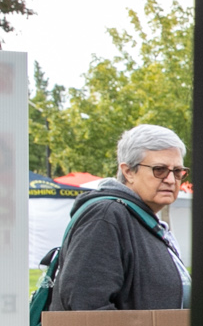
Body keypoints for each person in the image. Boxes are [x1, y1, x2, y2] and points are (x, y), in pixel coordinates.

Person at [48, 124, 191, 311]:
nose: (171, 180)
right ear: (128, 172)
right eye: (159, 170)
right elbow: (86, 306)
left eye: (177, 171)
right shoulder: (106, 216)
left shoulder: (142, 221)